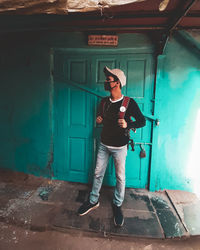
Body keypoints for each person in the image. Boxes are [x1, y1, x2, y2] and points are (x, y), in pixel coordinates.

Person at [78, 66, 146, 227]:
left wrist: (128, 123)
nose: (106, 82)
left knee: (120, 177)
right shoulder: (103, 102)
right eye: (107, 80)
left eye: (109, 80)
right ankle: (93, 201)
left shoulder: (129, 103)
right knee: (97, 173)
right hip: (103, 144)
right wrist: (99, 120)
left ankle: (117, 204)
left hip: (120, 147)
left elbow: (142, 121)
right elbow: (100, 118)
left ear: (118, 83)